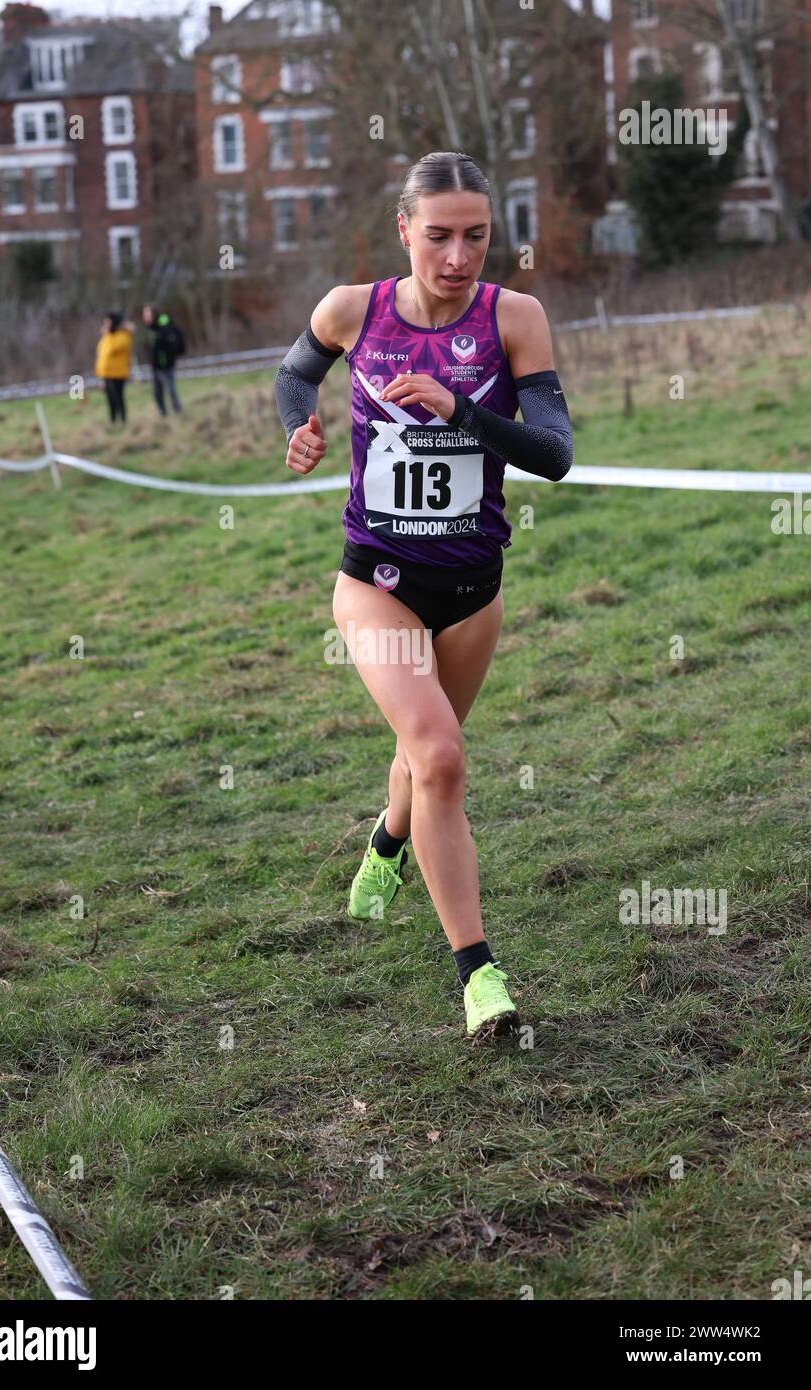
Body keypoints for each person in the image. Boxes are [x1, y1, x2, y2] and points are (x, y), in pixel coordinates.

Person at [273, 150, 573, 1042]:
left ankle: (388, 843)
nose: (456, 255)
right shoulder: (351, 311)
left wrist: (460, 411)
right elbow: (296, 373)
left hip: (475, 589)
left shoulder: (513, 318)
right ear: (404, 229)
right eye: (437, 235)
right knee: (440, 753)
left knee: (425, 753)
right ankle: (480, 978)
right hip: (378, 583)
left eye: (475, 235)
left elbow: (554, 453)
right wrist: (301, 424)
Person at [143, 304, 184, 417]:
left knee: (170, 389)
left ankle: (178, 411)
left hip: (164, 364)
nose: (144, 317)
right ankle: (163, 414)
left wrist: (164, 358)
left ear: (153, 314)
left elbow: (167, 344)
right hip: (156, 365)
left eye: (146, 314)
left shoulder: (163, 326)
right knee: (157, 392)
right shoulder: (151, 327)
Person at [95, 312, 134, 425]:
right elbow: (101, 355)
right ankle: (113, 421)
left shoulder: (122, 336)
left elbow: (112, 349)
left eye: (108, 323)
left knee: (118, 397)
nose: (105, 326)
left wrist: (108, 334)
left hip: (118, 373)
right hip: (107, 373)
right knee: (110, 399)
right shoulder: (107, 337)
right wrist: (100, 375)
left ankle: (122, 420)